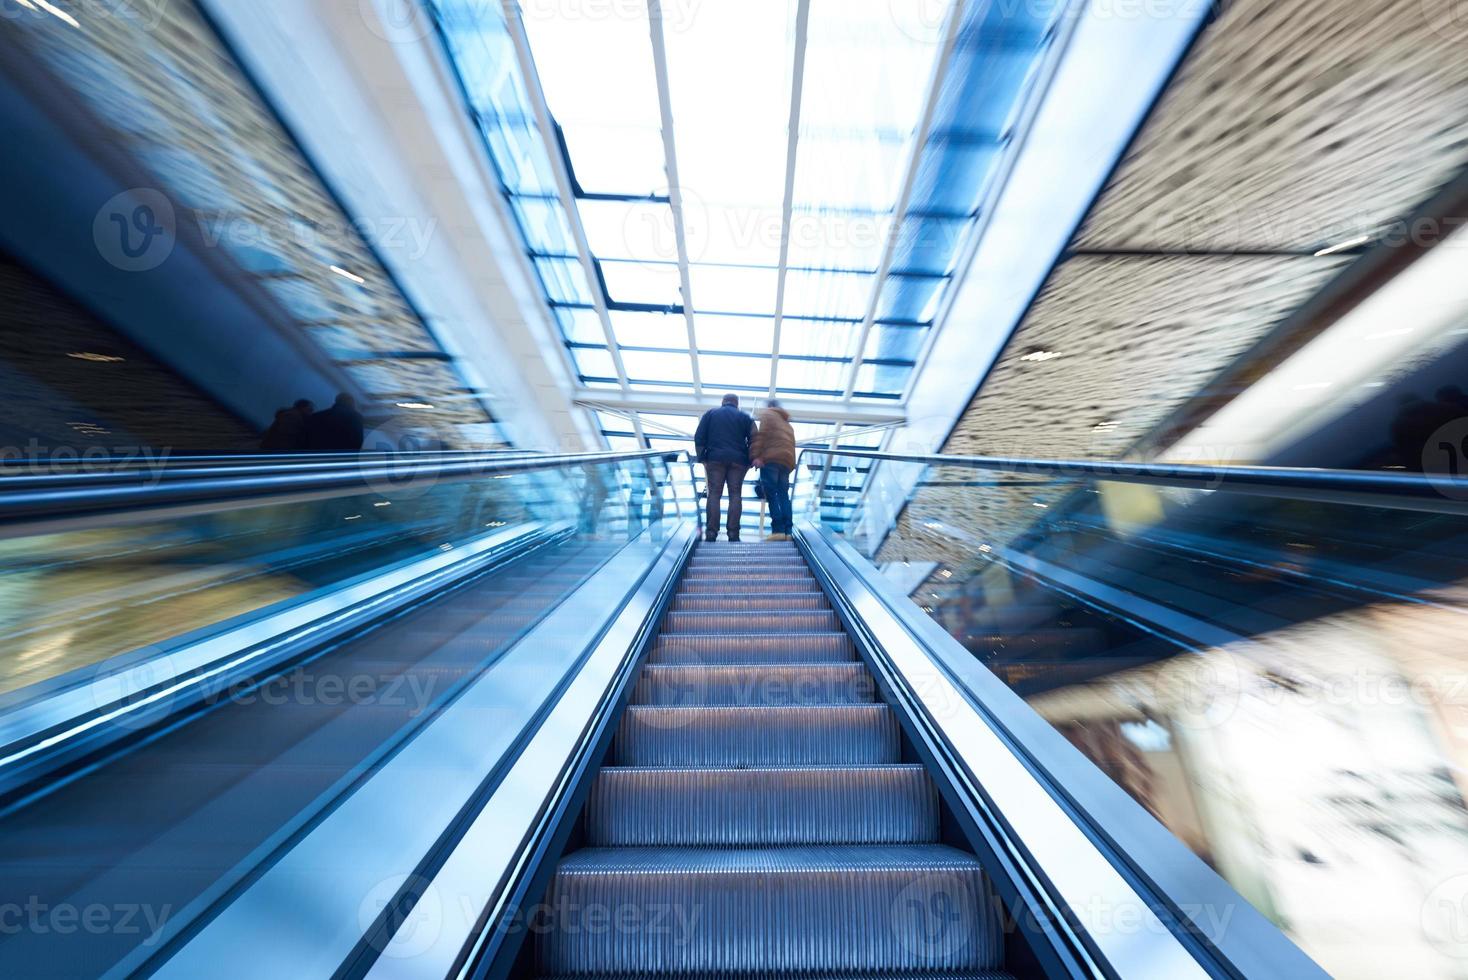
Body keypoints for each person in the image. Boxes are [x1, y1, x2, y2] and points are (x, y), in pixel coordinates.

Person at [693, 393, 753, 542]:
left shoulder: (711, 414)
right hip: (738, 461)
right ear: (737, 404)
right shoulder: (745, 417)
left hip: (715, 459)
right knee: (735, 495)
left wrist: (703, 458)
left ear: (723, 402)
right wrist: (750, 460)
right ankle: (733, 534)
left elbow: (699, 436)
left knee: (714, 494)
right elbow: (755, 439)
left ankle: (711, 532)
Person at [750, 398, 797, 541]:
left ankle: (778, 530)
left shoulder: (768, 415)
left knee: (771, 495)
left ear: (770, 406)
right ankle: (788, 531)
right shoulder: (787, 424)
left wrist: (757, 456)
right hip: (787, 462)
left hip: (771, 460)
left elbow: (761, 437)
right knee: (783, 495)